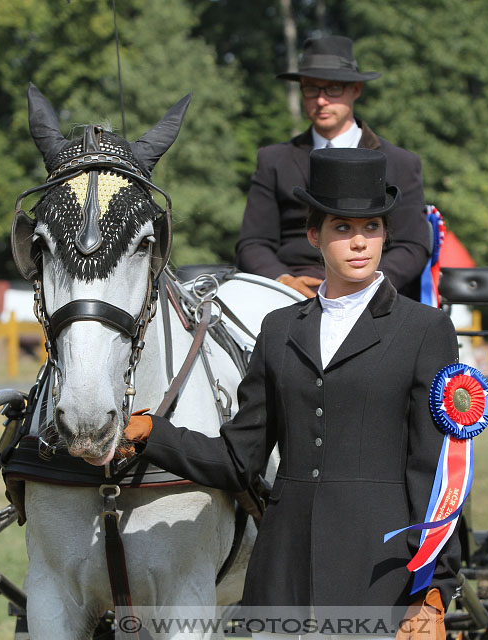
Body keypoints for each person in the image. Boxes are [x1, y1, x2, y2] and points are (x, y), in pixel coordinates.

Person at [117, 149, 459, 637]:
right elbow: (239, 459)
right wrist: (152, 433)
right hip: (283, 576)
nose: (359, 243)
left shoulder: (425, 329)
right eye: (342, 228)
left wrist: (432, 592)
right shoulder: (278, 329)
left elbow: (435, 471)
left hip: (381, 575)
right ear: (314, 235)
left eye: (371, 228)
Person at [236, 35, 431, 301]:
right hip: (292, 291)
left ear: (356, 90)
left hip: (372, 290)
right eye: (311, 89)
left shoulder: (400, 162)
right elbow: (253, 243)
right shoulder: (274, 160)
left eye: (333, 89)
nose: (321, 100)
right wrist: (283, 282)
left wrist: (365, 285)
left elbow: (413, 245)